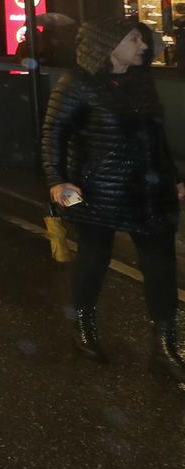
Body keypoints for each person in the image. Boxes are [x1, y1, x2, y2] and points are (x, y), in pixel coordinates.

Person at [43, 20, 184, 382]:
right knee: (93, 259)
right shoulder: (76, 83)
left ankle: (164, 346)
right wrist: (58, 181)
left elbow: (156, 137)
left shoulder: (141, 82)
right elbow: (54, 133)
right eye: (134, 39)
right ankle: (83, 327)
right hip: (96, 190)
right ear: (108, 45)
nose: (143, 45)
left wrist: (174, 177)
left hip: (150, 190)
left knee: (160, 264)